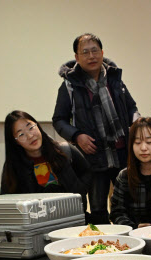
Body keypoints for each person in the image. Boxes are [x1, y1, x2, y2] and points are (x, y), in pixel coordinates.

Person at [52, 33, 139, 224]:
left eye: (95, 50)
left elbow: (131, 107)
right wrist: (77, 136)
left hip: (122, 152)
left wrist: (136, 124)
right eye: (85, 52)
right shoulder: (69, 85)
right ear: (76, 57)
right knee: (98, 207)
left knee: (129, 202)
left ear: (102, 52)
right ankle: (102, 247)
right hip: (93, 156)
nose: (91, 56)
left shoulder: (115, 78)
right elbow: (59, 120)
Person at [0, 110, 91, 207]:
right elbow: (7, 199)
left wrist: (80, 192)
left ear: (38, 126)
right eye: (21, 134)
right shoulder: (13, 167)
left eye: (31, 127)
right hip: (37, 220)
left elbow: (87, 172)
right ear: (15, 141)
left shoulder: (63, 150)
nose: (30, 136)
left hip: (73, 216)